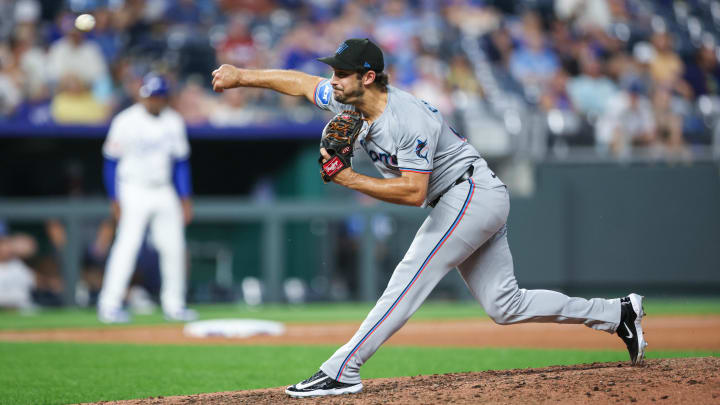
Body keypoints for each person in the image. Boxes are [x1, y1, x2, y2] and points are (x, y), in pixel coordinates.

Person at [211, 38, 647, 398]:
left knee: (409, 276)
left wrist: (348, 179)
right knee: (505, 305)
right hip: (468, 196)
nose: (333, 80)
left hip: (468, 193)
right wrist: (242, 77)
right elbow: (302, 83)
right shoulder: (349, 102)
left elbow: (413, 191)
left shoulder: (406, 118)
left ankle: (342, 367)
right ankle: (616, 313)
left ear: (367, 77)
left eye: (341, 73)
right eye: (334, 72)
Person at [97, 73, 197, 324]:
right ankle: (109, 304)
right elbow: (110, 162)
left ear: (165, 98)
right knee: (127, 246)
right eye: (149, 96)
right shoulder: (126, 120)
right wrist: (115, 198)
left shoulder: (173, 121)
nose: (153, 101)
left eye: (158, 96)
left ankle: (174, 305)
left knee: (173, 247)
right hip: (133, 188)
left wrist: (185, 198)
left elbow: (180, 163)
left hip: (163, 189)